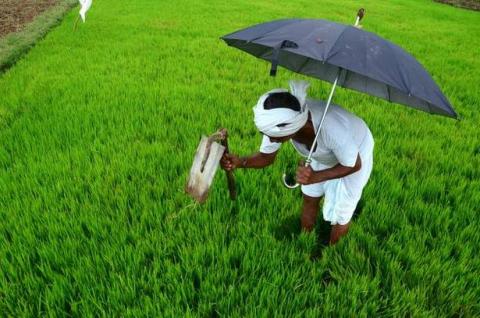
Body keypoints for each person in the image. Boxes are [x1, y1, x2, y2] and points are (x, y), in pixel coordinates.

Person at [220, 80, 374, 244]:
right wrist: (240, 162)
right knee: (309, 195)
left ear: (293, 127)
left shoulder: (330, 127)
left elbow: (354, 164)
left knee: (342, 210)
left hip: (355, 153)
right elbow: (267, 157)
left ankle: (332, 252)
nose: (270, 139)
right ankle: (305, 241)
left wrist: (317, 176)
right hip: (324, 153)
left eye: (273, 136)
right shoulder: (279, 124)